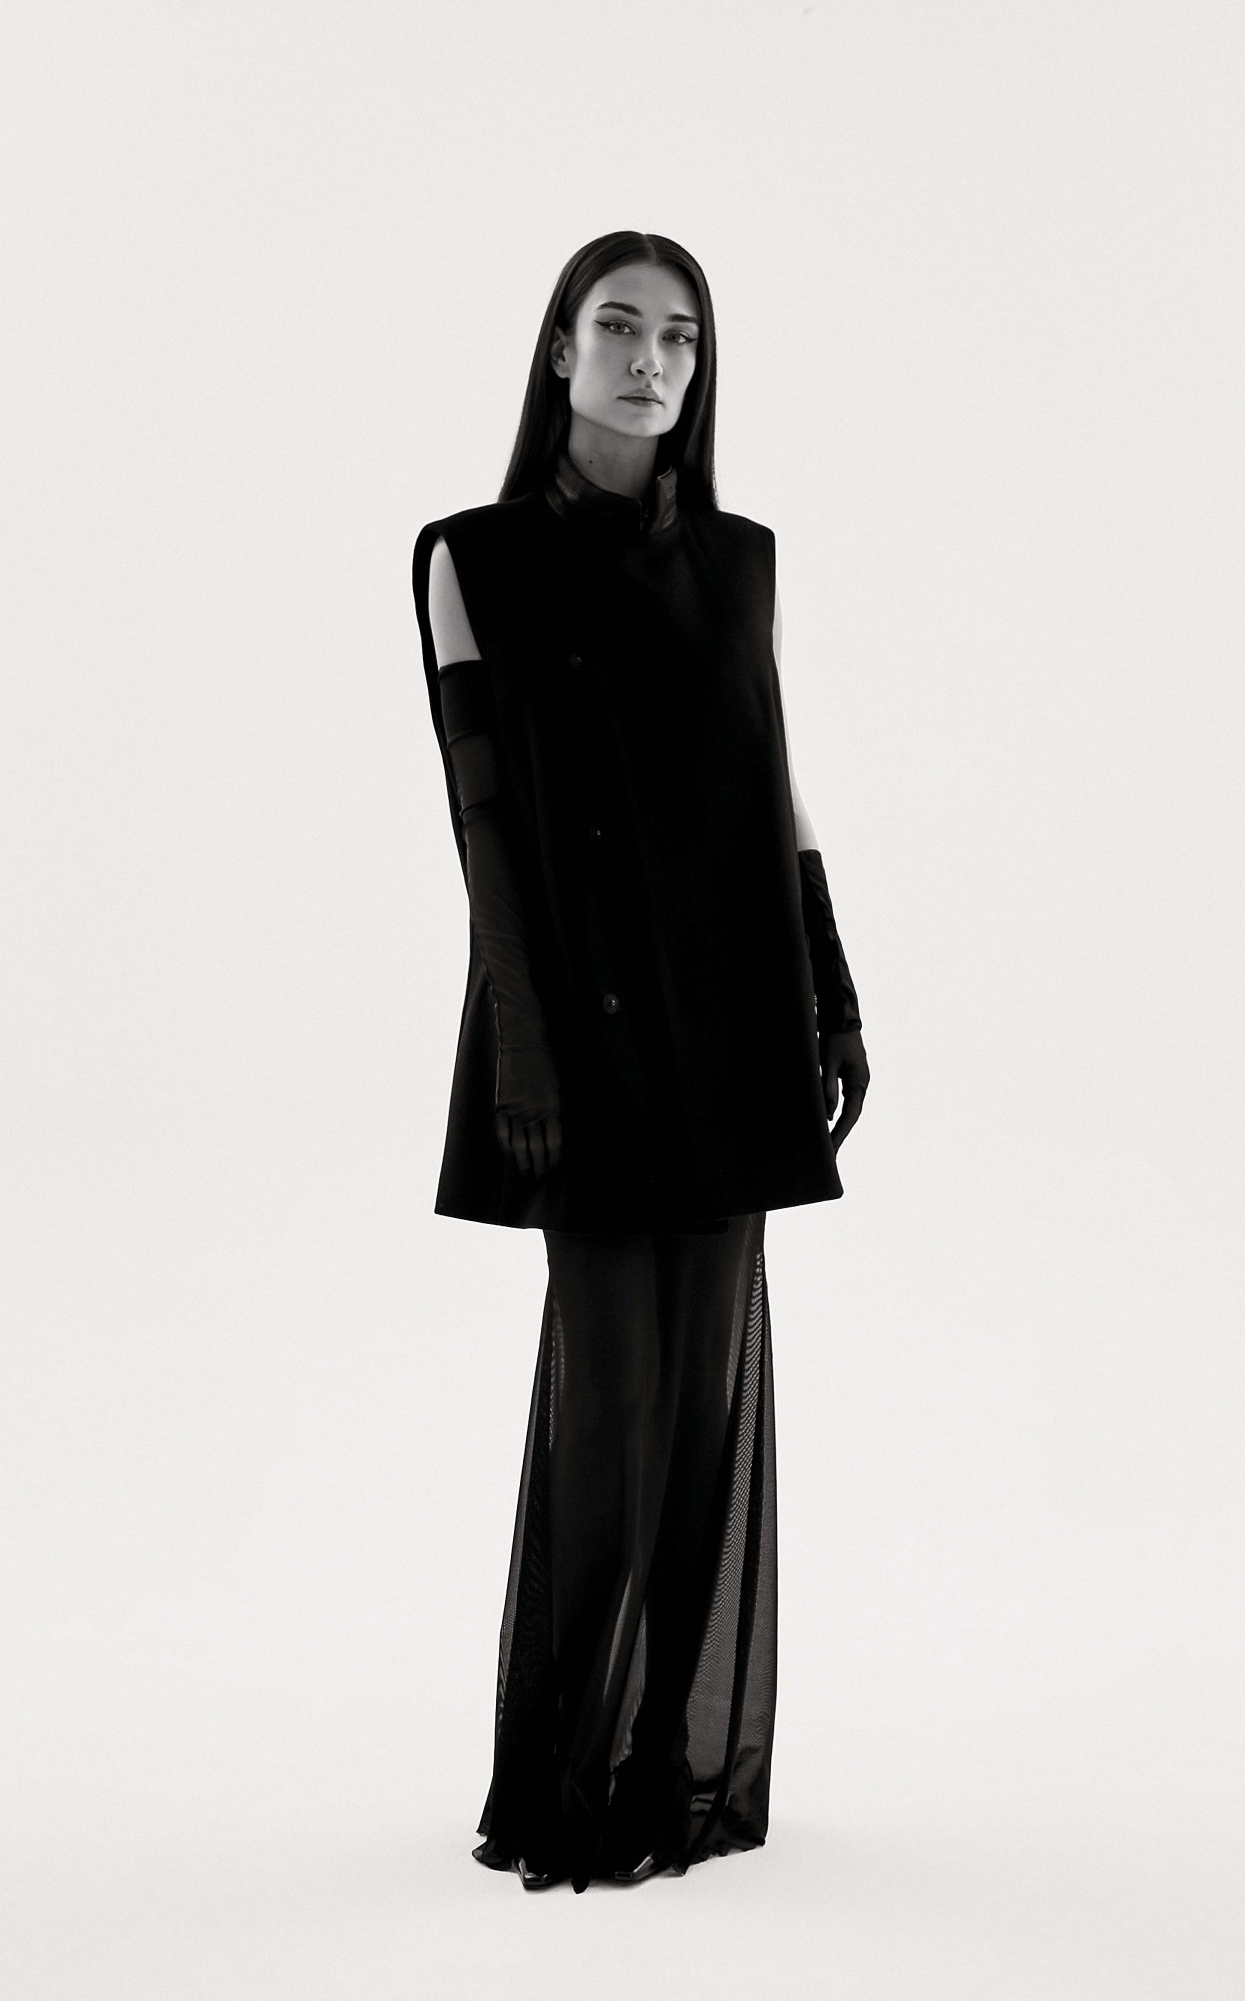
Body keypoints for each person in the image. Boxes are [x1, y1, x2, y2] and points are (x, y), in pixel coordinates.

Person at [411, 230, 868, 1894]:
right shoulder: (470, 557)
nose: (648, 360)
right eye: (616, 326)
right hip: (584, 1024)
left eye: (678, 337)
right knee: (613, 1406)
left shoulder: (741, 561)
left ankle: (672, 1772)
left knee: (703, 1410)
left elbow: (772, 779)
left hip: (735, 1015)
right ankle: (563, 1781)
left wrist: (831, 982)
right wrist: (521, 1046)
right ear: (558, 350)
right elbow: (481, 826)